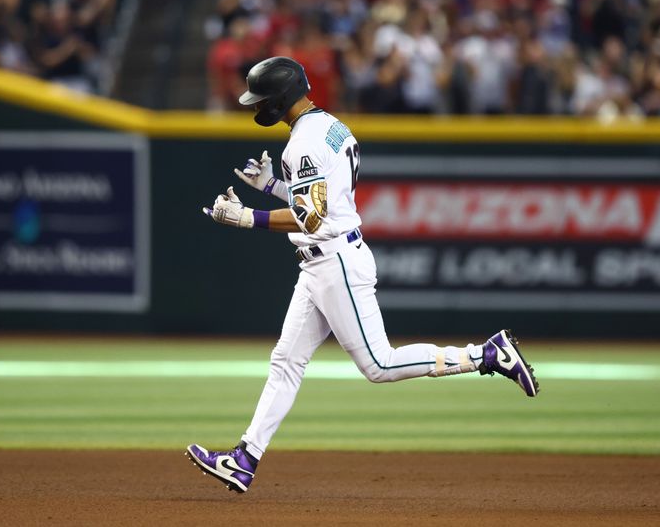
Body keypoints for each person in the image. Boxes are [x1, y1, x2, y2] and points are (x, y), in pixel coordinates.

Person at [185, 56, 540, 494]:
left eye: (261, 99)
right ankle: (245, 459)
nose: (256, 107)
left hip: (333, 260)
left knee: (379, 365)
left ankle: (487, 355)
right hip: (322, 261)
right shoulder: (328, 125)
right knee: (286, 362)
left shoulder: (304, 143)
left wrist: (246, 217)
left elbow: (311, 219)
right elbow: (326, 201)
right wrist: (275, 187)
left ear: (280, 99)